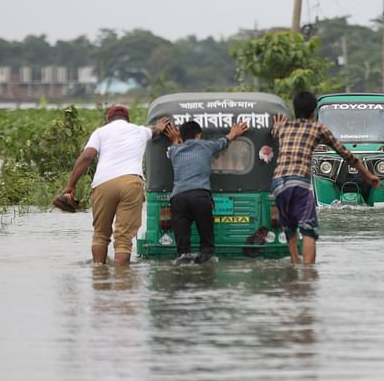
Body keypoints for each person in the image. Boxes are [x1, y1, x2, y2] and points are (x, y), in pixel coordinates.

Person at [271, 91, 381, 265]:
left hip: (277, 183)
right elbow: (345, 154)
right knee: (308, 230)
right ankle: (308, 273)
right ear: (312, 112)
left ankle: (294, 269)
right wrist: (369, 175)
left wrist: (277, 126)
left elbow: (274, 133)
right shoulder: (317, 128)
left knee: (290, 228)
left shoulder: (284, 128)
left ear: (295, 110)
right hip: (298, 182)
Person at [62, 105, 169, 265]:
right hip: (131, 183)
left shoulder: (100, 132)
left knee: (100, 233)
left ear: (108, 119)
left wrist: (70, 186)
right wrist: (159, 127)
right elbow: (154, 130)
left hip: (103, 184)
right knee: (124, 238)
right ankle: (122, 279)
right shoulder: (139, 131)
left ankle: (99, 274)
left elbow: (87, 157)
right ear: (128, 119)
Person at [163, 119, 249, 263]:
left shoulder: (173, 151)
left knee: (182, 245)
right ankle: (206, 257)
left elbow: (174, 146)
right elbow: (224, 141)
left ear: (181, 137)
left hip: (178, 197)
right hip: (199, 196)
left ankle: (184, 258)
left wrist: (175, 138)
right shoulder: (206, 146)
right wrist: (234, 133)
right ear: (198, 135)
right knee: (206, 234)